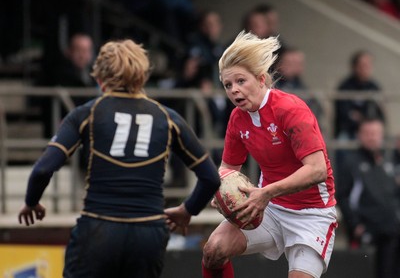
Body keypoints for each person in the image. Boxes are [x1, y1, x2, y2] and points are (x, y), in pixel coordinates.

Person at [18, 39, 221, 277]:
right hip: (148, 233)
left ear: (99, 77)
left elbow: (43, 169)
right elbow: (210, 178)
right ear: (142, 75)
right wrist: (188, 209)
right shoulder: (168, 118)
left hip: (99, 227)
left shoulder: (87, 113)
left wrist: (32, 201)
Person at [201, 31, 338, 278]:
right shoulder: (237, 117)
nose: (234, 90)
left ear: (261, 79)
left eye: (241, 81)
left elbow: (317, 170)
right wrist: (219, 189)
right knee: (214, 250)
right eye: (228, 85)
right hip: (270, 207)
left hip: (311, 213)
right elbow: (228, 168)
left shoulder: (290, 109)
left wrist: (266, 192)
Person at [336, 118, 400, 278]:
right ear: (359, 135)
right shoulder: (350, 163)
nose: (372, 137)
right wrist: (356, 225)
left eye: (376, 133)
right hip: (368, 234)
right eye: (368, 133)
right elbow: (342, 196)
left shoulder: (388, 162)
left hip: (393, 232)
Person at [334, 50, 385, 140]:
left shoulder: (374, 87)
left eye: (369, 65)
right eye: (363, 65)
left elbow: (380, 114)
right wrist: (362, 121)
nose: (366, 68)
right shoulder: (345, 87)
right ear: (355, 67)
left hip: (369, 130)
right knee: (343, 140)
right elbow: (345, 115)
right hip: (349, 131)